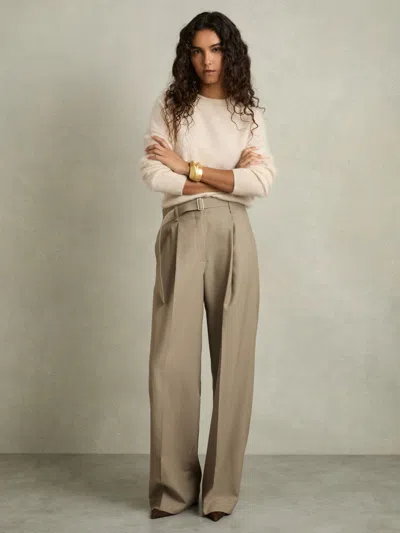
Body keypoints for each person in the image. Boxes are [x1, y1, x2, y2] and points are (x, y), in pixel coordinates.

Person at [139, 11, 277, 523]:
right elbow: (152, 170)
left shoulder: (247, 112)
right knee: (170, 363)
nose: (207, 61)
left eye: (216, 49)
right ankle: (171, 490)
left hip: (234, 234)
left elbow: (261, 180)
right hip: (181, 228)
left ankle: (220, 494)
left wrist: (189, 166)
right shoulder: (171, 105)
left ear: (230, 52)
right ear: (187, 56)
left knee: (233, 362)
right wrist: (222, 177)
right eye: (197, 51)